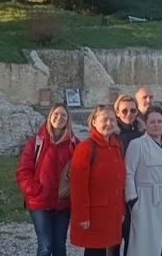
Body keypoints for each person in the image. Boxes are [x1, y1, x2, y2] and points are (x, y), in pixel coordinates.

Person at [16, 103, 79, 256]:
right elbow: (23, 170)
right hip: (40, 202)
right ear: (50, 116)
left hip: (63, 202)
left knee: (59, 246)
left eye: (63, 115)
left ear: (68, 119)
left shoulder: (75, 144)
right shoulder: (36, 142)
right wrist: (34, 190)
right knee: (45, 245)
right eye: (56, 114)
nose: (59, 118)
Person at [125, 106, 162, 256]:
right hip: (147, 199)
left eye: (159, 121)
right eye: (152, 122)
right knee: (145, 244)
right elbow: (129, 174)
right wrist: (133, 201)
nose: (156, 125)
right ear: (145, 124)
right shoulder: (137, 145)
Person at [70, 105, 126, 256]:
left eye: (112, 120)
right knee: (95, 251)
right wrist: (82, 215)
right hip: (95, 214)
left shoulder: (116, 146)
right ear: (94, 122)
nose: (109, 123)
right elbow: (78, 185)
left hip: (112, 212)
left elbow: (119, 183)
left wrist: (121, 210)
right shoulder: (86, 147)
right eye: (104, 119)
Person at [113, 95, 143, 256]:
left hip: (136, 192)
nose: (129, 114)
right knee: (113, 243)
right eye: (124, 111)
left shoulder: (142, 133)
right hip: (116, 193)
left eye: (132, 110)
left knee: (133, 243)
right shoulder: (112, 134)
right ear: (117, 112)